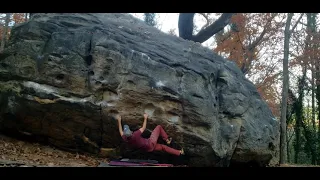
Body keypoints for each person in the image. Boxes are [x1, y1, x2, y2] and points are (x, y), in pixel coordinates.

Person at [116, 113, 184, 156]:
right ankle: (167, 140)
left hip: (148, 149)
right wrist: (145, 118)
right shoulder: (135, 135)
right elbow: (143, 128)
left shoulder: (125, 138)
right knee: (159, 127)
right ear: (130, 132)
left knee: (164, 147)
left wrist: (119, 121)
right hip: (150, 142)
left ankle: (179, 152)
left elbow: (120, 131)